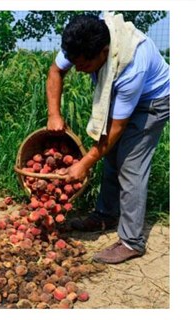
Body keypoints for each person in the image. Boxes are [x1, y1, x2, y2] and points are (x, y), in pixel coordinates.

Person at [46, 14, 169, 264]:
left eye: (84, 65)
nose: (78, 70)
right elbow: (56, 71)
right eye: (75, 63)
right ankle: (107, 214)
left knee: (130, 166)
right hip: (123, 97)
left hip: (152, 102)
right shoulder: (84, 38)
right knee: (110, 156)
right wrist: (54, 114)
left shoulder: (133, 65)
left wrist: (83, 164)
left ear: (104, 52)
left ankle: (131, 241)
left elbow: (117, 127)